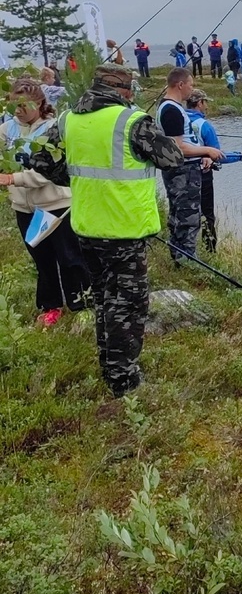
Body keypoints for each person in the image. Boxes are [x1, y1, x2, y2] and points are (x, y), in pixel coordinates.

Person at [28, 65, 184, 397]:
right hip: (125, 231)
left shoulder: (68, 119)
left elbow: (40, 160)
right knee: (127, 304)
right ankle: (123, 379)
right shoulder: (131, 121)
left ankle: (108, 364)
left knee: (104, 298)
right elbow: (172, 158)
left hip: (86, 227)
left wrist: (72, 177)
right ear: (124, 91)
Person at [0, 77, 90, 324]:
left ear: (40, 103)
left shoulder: (53, 130)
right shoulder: (7, 130)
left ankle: (82, 304)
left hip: (57, 206)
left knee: (70, 258)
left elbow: (47, 172)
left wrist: (11, 178)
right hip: (24, 208)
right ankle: (50, 306)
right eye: (14, 105)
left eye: (24, 105)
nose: (18, 110)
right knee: (41, 260)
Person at [156, 68, 225, 261]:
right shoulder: (171, 110)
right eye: (191, 84)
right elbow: (178, 148)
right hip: (183, 173)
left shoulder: (171, 108)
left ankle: (180, 257)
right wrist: (207, 151)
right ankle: (186, 261)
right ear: (180, 85)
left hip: (185, 170)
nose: (191, 89)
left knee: (181, 216)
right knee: (189, 219)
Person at [186, 89, 240, 252]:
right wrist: (240, 155)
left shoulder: (178, 120)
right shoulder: (205, 126)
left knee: (186, 212)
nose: (207, 107)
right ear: (199, 103)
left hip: (181, 175)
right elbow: (218, 155)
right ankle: (210, 251)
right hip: (202, 176)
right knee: (206, 215)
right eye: (205, 102)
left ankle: (186, 246)